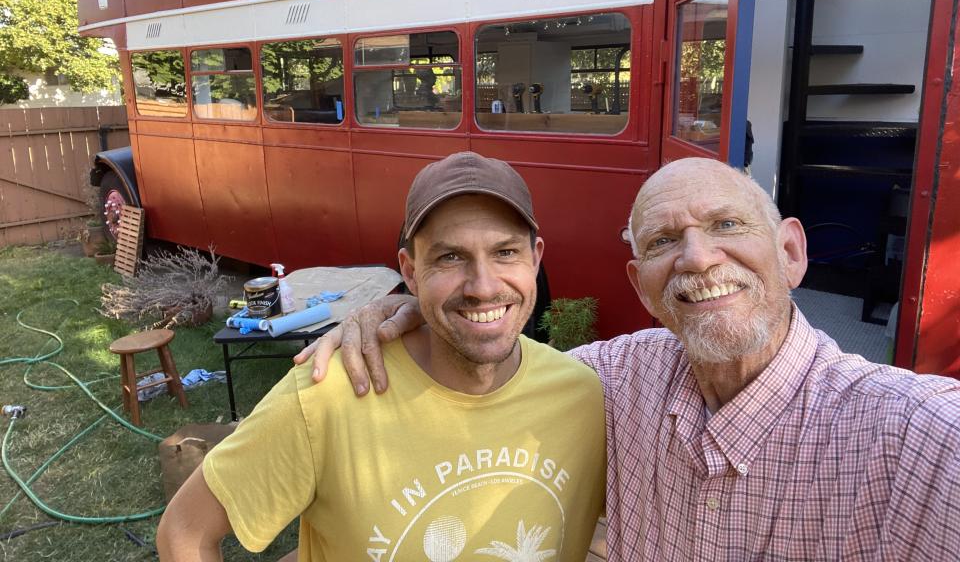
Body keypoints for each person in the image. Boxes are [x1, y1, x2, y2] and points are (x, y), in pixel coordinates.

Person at [299, 156, 960, 561]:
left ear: (790, 252)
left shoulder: (913, 438)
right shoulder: (616, 378)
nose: (698, 257)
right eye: (665, 241)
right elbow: (493, 362)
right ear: (641, 283)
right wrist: (420, 310)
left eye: (727, 225)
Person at [157, 152, 606, 561]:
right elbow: (184, 532)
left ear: (535, 259)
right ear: (410, 271)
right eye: (450, 257)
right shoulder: (329, 395)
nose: (483, 286)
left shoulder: (586, 398)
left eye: (505, 252)